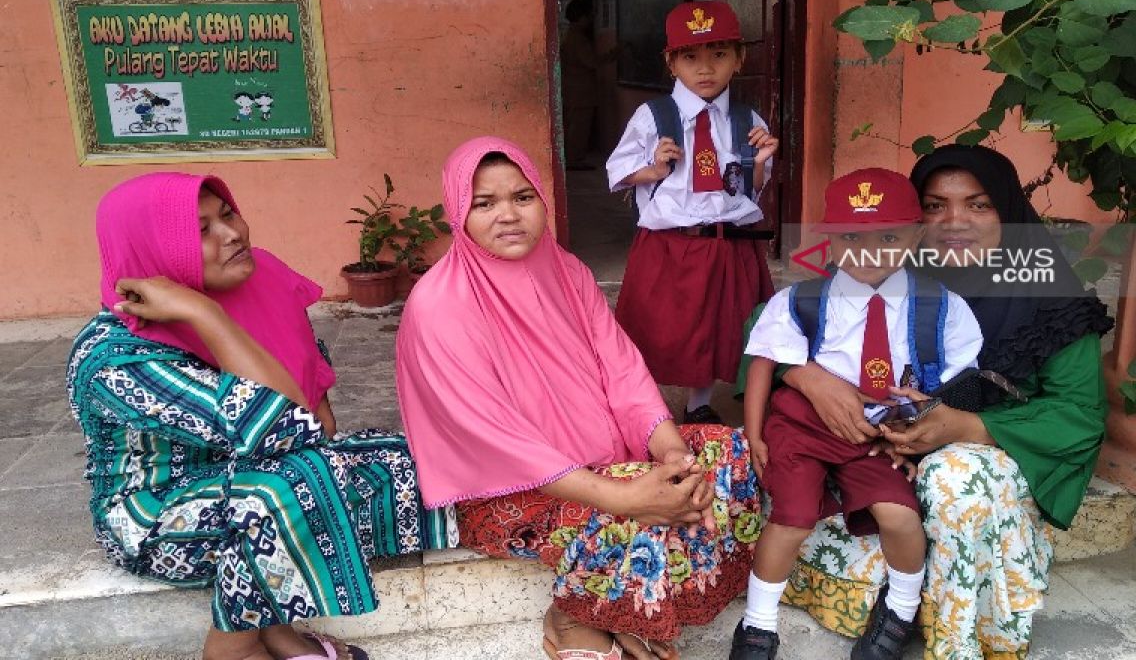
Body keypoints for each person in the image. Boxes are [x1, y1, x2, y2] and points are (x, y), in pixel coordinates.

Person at [395, 137, 762, 660]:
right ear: (458, 213)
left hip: (608, 463)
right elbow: (495, 439)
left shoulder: (567, 272)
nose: (508, 216)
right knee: (643, 506)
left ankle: (620, 605)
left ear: (543, 201)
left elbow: (623, 373)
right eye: (484, 203)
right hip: (512, 493)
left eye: (523, 197)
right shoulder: (437, 306)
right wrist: (624, 497)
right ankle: (574, 617)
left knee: (724, 456)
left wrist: (671, 452)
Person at [68, 172, 455, 660]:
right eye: (200, 229)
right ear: (151, 256)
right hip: (155, 514)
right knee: (290, 486)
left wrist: (217, 316)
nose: (232, 234)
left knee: (412, 462)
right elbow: (285, 428)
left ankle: (275, 627)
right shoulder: (116, 358)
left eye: (227, 213)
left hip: (263, 473)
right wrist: (205, 315)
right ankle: (235, 648)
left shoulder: (263, 284)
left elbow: (320, 424)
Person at [780, 145, 1114, 660]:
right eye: (935, 206)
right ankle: (887, 596)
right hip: (886, 445)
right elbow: (773, 321)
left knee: (952, 478)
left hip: (987, 456)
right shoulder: (889, 261)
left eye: (978, 205)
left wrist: (964, 426)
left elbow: (1079, 416)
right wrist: (809, 377)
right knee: (796, 445)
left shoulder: (1049, 294)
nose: (954, 222)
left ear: (1007, 211)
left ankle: (942, 630)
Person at [731, 169, 983, 660]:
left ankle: (900, 612)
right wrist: (756, 434)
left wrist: (918, 426)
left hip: (874, 434)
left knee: (899, 515)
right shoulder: (802, 300)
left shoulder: (941, 308)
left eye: (888, 236)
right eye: (851, 237)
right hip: (801, 426)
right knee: (794, 516)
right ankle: (758, 625)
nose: (869, 251)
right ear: (829, 241)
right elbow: (765, 360)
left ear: (916, 235)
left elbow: (959, 385)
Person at [606, 0, 779, 425]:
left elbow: (749, 193)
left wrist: (760, 164)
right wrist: (653, 168)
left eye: (719, 55)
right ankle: (641, 408)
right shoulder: (653, 116)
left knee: (719, 329)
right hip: (668, 245)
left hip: (726, 245)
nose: (705, 68)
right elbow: (617, 170)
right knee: (659, 329)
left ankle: (698, 403)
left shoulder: (747, 120)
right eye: (690, 57)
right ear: (671, 63)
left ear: (739, 59)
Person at [560, 0, 611, 170]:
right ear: (581, 17)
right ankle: (574, 160)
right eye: (589, 16)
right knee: (579, 128)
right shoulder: (577, 39)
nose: (590, 20)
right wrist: (614, 54)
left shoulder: (569, 35)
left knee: (573, 126)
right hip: (580, 93)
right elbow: (591, 62)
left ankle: (572, 158)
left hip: (572, 90)